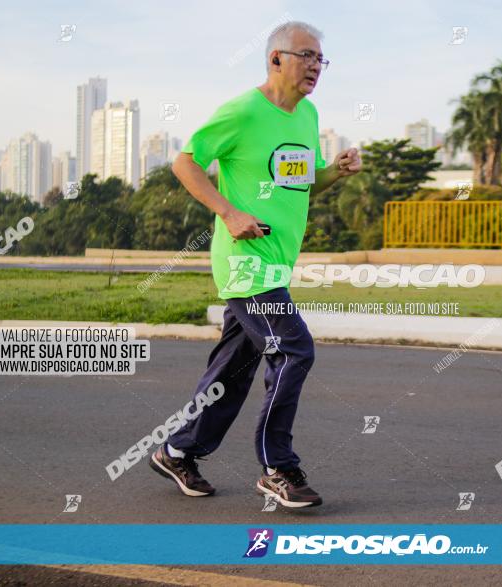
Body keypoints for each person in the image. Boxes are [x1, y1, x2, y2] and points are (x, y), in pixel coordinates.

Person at [149, 21, 362, 508]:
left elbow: (301, 185)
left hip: (276, 264)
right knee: (293, 350)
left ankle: (178, 450)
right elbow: (184, 162)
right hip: (246, 264)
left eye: (320, 59)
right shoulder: (243, 111)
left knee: (234, 369)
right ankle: (277, 466)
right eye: (306, 56)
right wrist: (229, 212)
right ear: (275, 59)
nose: (315, 67)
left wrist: (338, 173)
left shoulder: (307, 116)